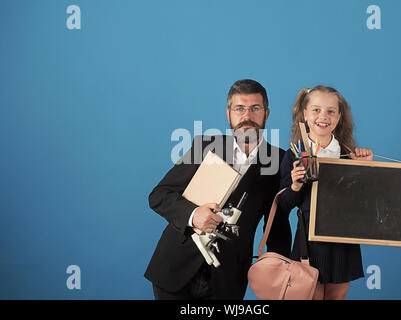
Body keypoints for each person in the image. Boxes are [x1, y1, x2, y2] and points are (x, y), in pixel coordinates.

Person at [144, 79, 291, 300]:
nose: (246, 116)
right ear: (228, 113)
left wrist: (282, 274)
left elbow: (278, 222)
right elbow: (159, 195)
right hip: (175, 267)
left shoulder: (280, 160)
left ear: (267, 114)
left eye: (255, 108)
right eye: (239, 109)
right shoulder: (206, 146)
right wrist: (193, 215)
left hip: (228, 277)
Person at [278, 85, 373, 300]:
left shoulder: (348, 155)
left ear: (339, 116)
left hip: (343, 242)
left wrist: (366, 170)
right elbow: (283, 205)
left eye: (331, 111)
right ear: (304, 114)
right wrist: (294, 186)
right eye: (316, 110)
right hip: (310, 244)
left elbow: (362, 204)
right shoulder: (295, 154)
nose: (324, 116)